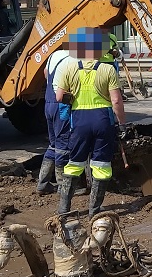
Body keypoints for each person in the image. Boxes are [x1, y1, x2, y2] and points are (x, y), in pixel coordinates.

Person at [53, 28, 130, 216]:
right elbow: (116, 101)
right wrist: (122, 124)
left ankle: (64, 208)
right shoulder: (108, 69)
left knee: (74, 163)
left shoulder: (69, 67)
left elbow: (59, 97)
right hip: (103, 120)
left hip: (79, 121)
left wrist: (74, 99)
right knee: (101, 165)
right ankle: (94, 210)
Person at [37, 43, 77, 195]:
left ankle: (42, 183)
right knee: (62, 145)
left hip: (48, 104)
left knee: (53, 144)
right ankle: (62, 185)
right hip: (62, 106)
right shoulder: (73, 58)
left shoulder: (55, 55)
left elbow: (46, 73)